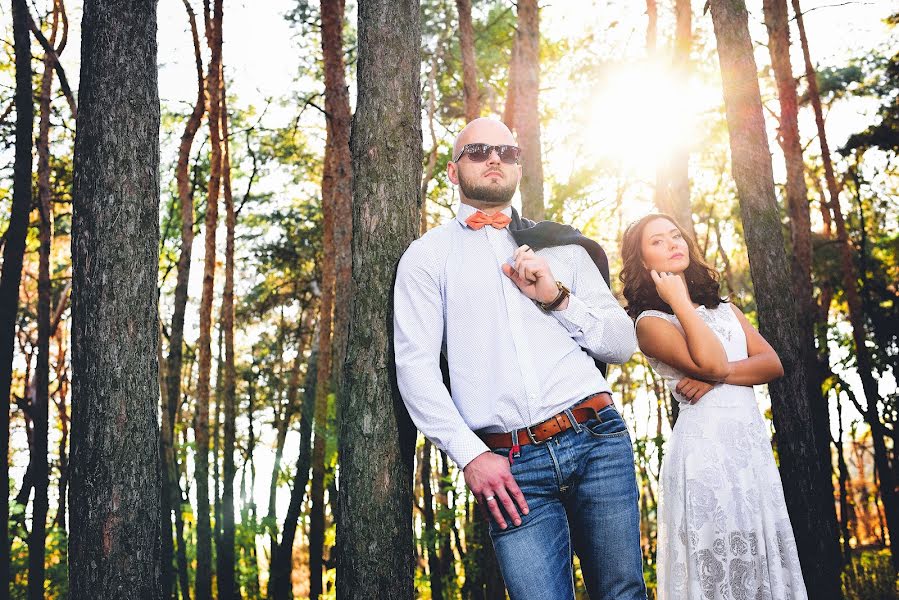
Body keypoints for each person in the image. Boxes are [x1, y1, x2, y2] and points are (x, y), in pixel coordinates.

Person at [393, 117, 647, 600]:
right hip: (509, 467)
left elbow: (621, 343)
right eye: (479, 150)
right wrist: (471, 457)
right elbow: (415, 370)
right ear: (452, 171)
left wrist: (556, 296)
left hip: (596, 439)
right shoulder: (426, 258)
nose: (495, 159)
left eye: (507, 152)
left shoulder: (561, 246)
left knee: (623, 594)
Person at [620, 213, 808, 599]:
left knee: (758, 559)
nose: (673, 243)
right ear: (642, 262)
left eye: (676, 235)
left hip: (749, 451)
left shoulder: (726, 309)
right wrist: (679, 301)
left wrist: (712, 378)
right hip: (705, 455)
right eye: (657, 241)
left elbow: (771, 364)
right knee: (718, 569)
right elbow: (714, 362)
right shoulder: (650, 323)